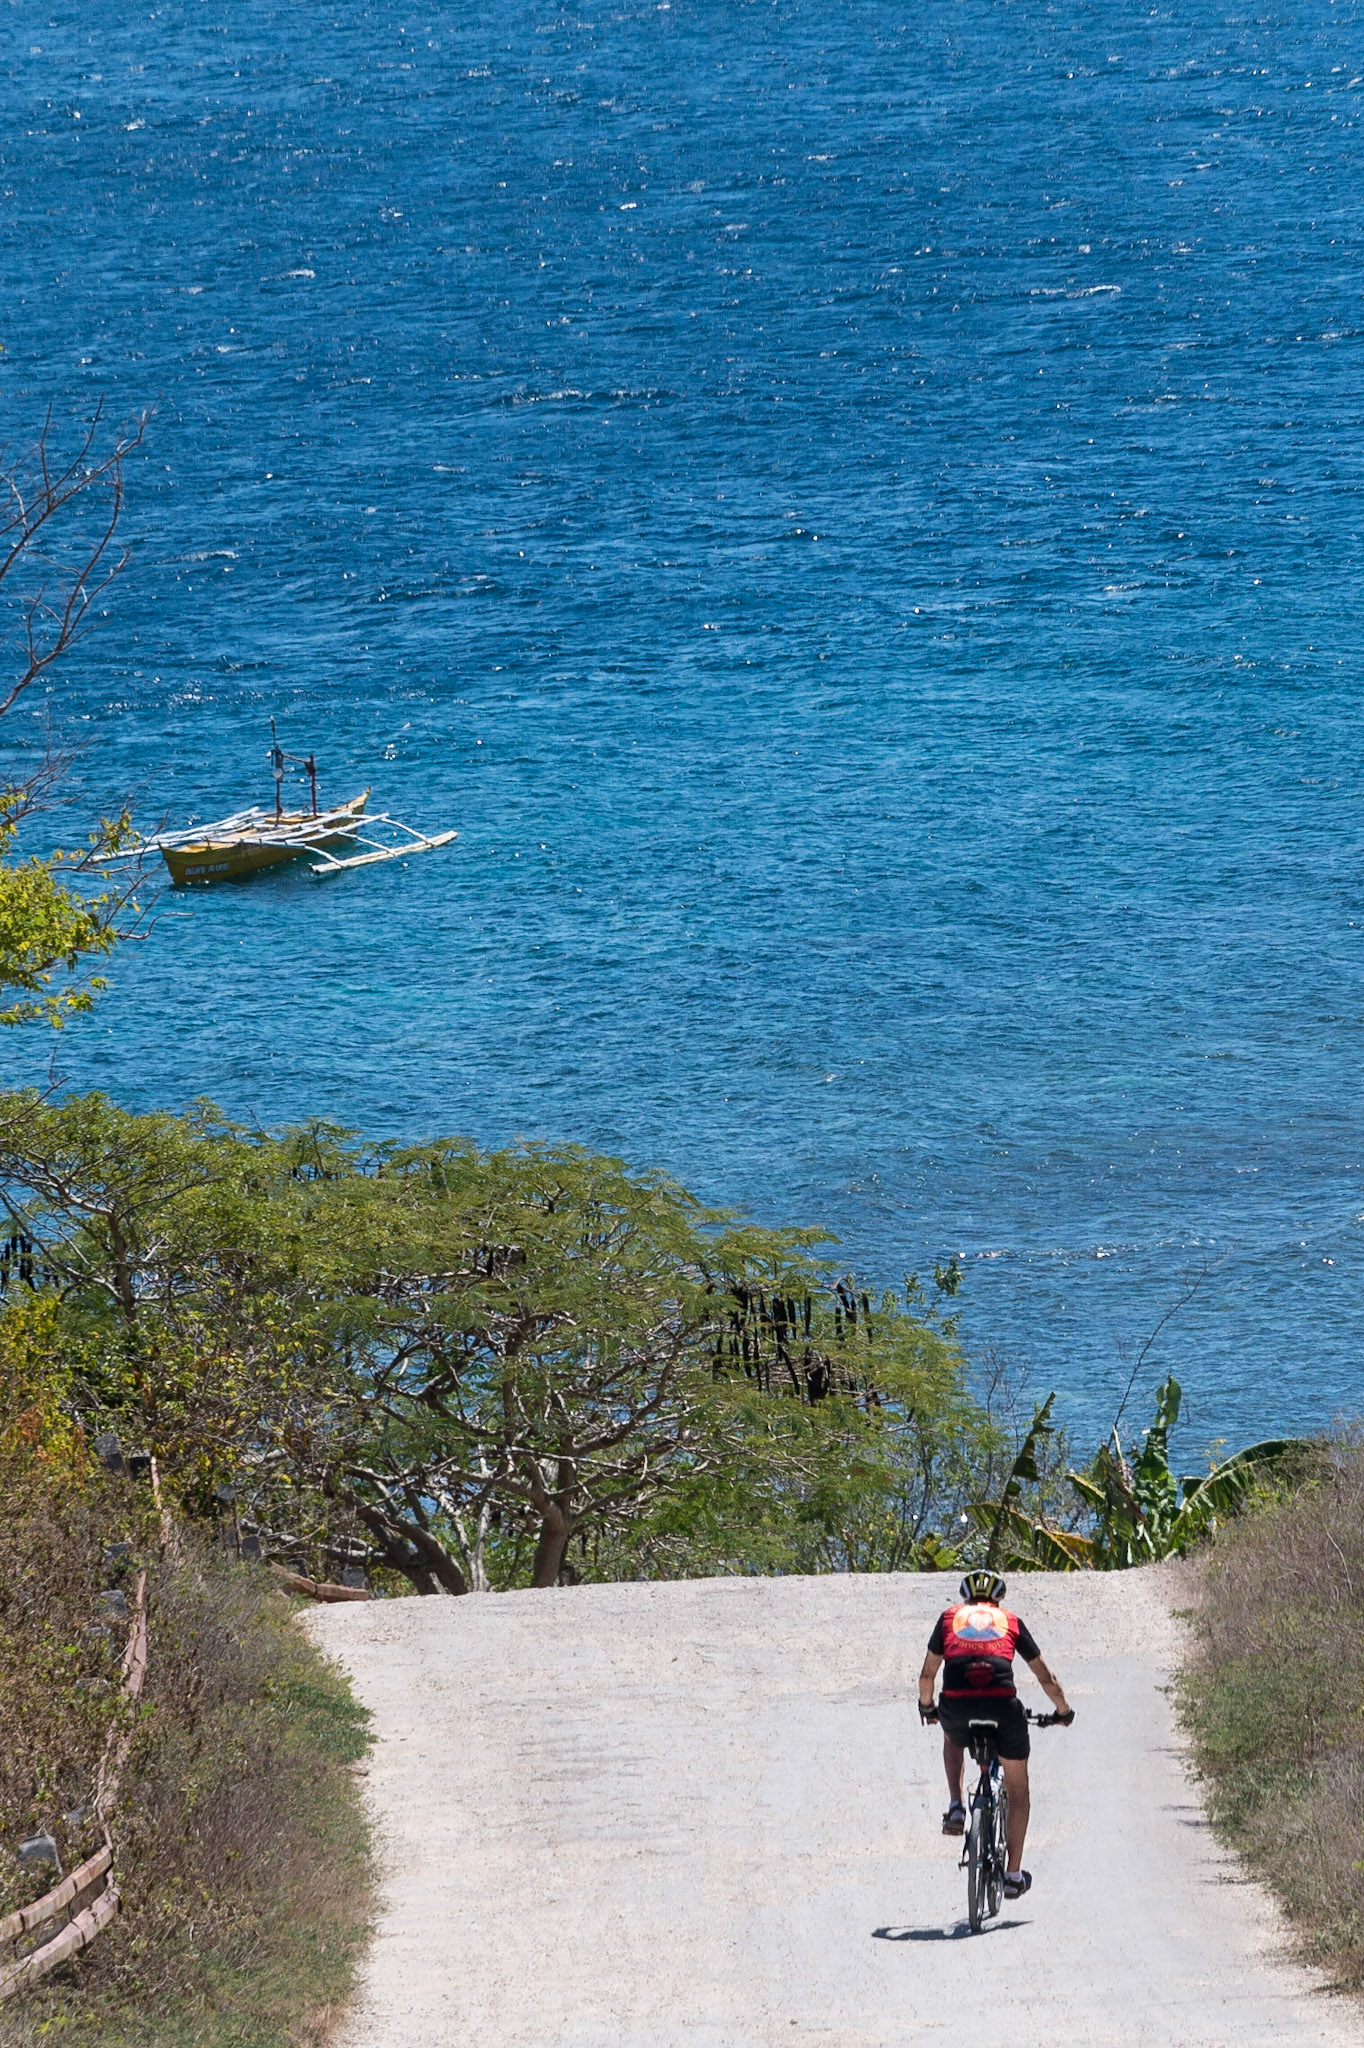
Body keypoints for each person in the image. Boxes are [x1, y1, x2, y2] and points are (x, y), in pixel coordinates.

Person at [917, 1568, 1074, 1901]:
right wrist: (1063, 1712)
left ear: (966, 1598)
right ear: (998, 1598)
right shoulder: (1009, 1621)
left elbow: (927, 1675)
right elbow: (1047, 1678)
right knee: (1018, 1789)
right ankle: (1013, 1876)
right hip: (1003, 1707)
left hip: (957, 1706)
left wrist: (928, 1708)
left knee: (951, 1736)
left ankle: (957, 1806)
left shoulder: (949, 1618)